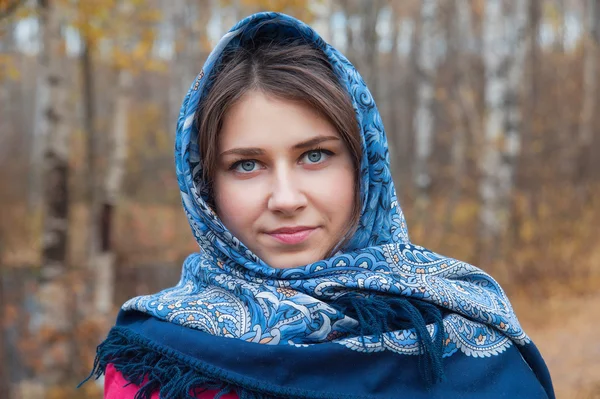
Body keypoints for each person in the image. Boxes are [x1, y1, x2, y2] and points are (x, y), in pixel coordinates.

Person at [81, 12, 555, 399]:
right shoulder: (159, 361)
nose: (286, 199)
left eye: (315, 156)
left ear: (363, 166)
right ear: (204, 186)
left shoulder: (460, 323)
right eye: (247, 165)